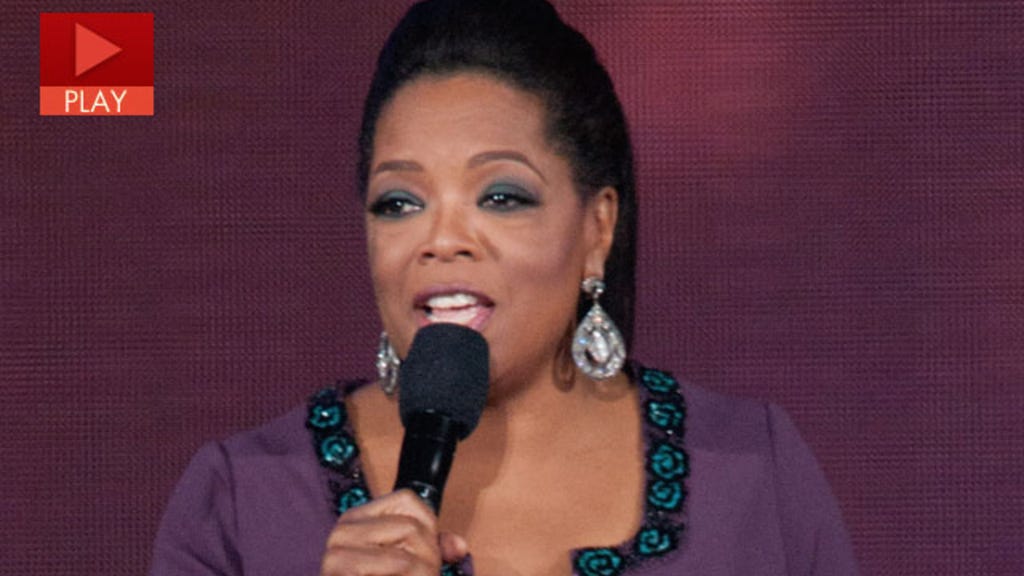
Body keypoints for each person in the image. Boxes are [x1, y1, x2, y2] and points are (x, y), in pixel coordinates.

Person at [150, 0, 860, 574]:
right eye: (399, 202)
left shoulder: (755, 474)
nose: (441, 239)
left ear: (598, 228)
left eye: (501, 196)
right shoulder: (244, 500)